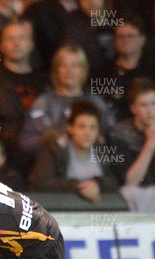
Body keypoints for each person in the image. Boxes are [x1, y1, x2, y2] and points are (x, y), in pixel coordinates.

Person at [18, 44, 114, 176]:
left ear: (83, 70)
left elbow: (110, 139)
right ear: (56, 70)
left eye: (75, 65)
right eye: (63, 65)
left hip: (91, 174)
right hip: (53, 173)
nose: (69, 70)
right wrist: (49, 142)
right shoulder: (43, 103)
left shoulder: (95, 103)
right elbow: (25, 143)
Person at [0, 19, 48, 176]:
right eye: (10, 38)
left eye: (22, 38)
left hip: (39, 157)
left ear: (31, 44)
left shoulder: (44, 81)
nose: (16, 43)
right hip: (2, 161)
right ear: (1, 45)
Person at [29, 99, 117, 202]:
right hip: (62, 210)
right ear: (70, 128)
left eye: (93, 128)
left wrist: (98, 184)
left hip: (97, 211)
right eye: (81, 127)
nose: (87, 133)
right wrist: (77, 186)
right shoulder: (54, 149)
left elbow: (114, 181)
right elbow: (40, 183)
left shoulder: (101, 150)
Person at [109, 77, 155, 211]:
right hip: (127, 206)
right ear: (133, 108)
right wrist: (150, 144)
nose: (150, 111)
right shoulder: (119, 135)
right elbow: (130, 182)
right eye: (144, 105)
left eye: (154, 104)